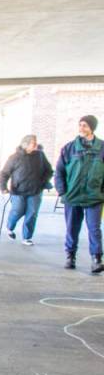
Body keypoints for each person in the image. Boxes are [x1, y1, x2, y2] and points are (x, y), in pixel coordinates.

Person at [54, 115, 104, 273]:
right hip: (73, 196)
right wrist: (63, 191)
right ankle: (70, 256)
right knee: (72, 228)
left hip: (94, 197)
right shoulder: (69, 148)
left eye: (85, 125)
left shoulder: (102, 148)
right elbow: (59, 172)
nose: (81, 128)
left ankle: (97, 259)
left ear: (92, 128)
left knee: (94, 228)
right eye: (80, 125)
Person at [0, 135, 53, 245]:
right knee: (17, 211)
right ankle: (10, 227)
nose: (36, 145)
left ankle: (27, 237)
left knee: (32, 214)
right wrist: (3, 187)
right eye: (33, 143)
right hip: (18, 191)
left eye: (36, 142)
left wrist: (43, 181)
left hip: (35, 191)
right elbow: (4, 173)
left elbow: (49, 170)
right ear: (25, 144)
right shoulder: (14, 157)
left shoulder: (40, 156)